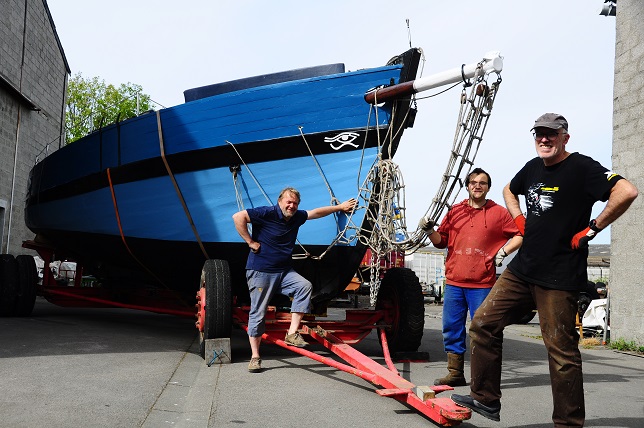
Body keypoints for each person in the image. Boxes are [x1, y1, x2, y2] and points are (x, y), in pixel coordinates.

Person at [451, 113, 638, 426]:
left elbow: (626, 191)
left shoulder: (582, 167)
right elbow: (510, 190)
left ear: (565, 137)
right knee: (483, 324)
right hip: (522, 270)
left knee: (561, 354)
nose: (544, 139)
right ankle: (485, 399)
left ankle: (567, 423)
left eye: (551, 134)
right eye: (539, 133)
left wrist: (592, 228)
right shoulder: (533, 167)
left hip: (560, 276)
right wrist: (519, 221)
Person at [232, 187, 357, 373]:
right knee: (258, 313)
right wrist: (250, 241)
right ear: (280, 201)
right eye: (288, 202)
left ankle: (291, 333)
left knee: (304, 286)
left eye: (295, 203)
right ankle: (255, 356)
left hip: (283, 271)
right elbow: (238, 216)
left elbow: (315, 213)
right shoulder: (266, 212)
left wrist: (339, 207)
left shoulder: (297, 216)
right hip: (261, 271)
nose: (291, 206)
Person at [419, 167, 522, 386]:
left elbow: (521, 235)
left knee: (485, 330)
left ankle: (484, 377)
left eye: (482, 183)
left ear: (488, 188)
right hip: (455, 282)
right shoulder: (455, 211)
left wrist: (503, 252)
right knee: (452, 328)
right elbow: (441, 241)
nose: (477, 186)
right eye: (473, 182)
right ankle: (455, 373)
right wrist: (429, 230)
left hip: (483, 284)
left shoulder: (499, 213)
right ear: (467, 186)